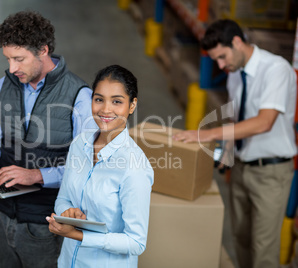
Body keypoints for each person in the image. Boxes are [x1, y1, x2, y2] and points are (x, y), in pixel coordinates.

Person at [0, 10, 96, 268]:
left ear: (43, 50)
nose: (12, 68)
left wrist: (37, 175)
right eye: (8, 59)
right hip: (0, 217)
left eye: (19, 59)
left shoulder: (80, 97)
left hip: (46, 226)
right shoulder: (3, 86)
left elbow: (89, 166)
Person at [173, 19, 297, 268]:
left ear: (237, 42)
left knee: (263, 248)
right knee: (240, 238)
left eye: (222, 57)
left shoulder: (276, 70)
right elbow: (236, 117)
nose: (220, 65)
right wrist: (227, 150)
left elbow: (264, 122)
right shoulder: (234, 74)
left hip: (271, 173)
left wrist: (206, 135)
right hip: (241, 167)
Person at [46, 65, 154, 268]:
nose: (105, 109)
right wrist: (68, 212)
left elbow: (136, 242)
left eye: (117, 101)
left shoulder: (134, 167)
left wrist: (78, 235)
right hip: (67, 261)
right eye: (99, 99)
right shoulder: (80, 143)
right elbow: (63, 198)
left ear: (132, 106)